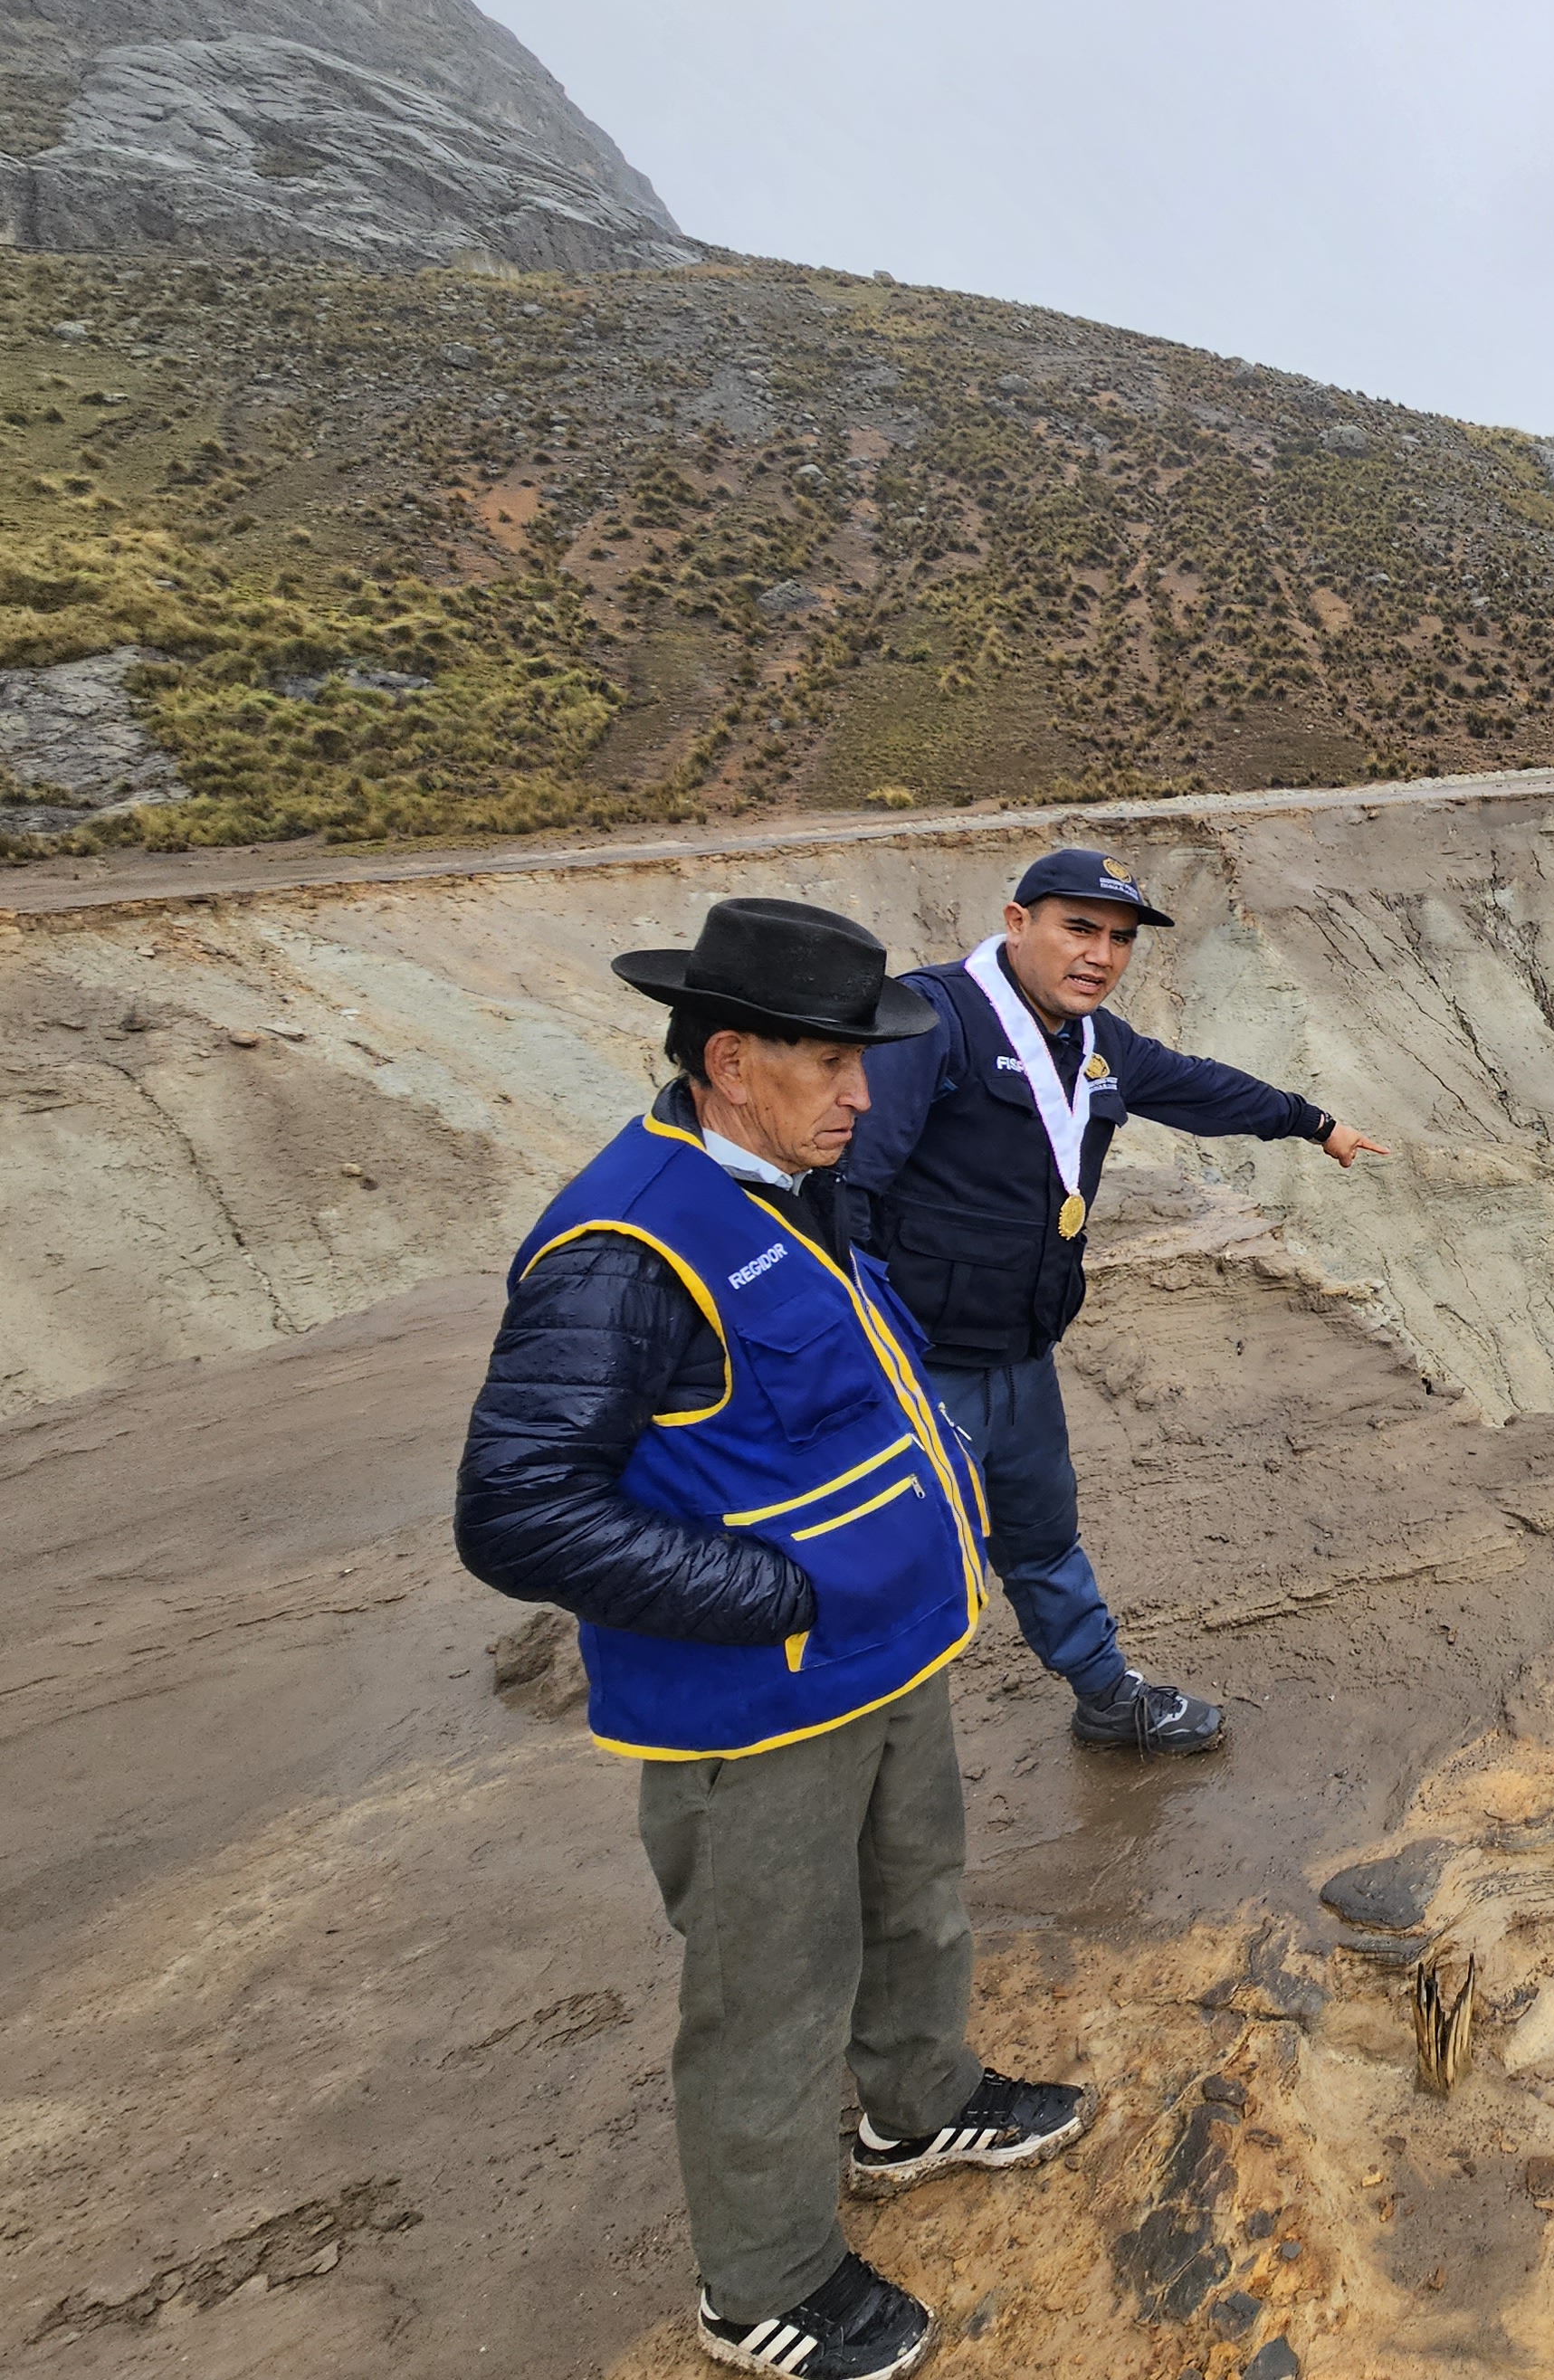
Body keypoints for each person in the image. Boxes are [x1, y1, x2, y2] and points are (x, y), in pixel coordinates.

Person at [456, 897, 1086, 2380]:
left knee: (916, 1898)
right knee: (770, 1998)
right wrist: (775, 1601)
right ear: (731, 1060)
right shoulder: (623, 1251)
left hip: (885, 1664)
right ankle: (767, 2287)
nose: (865, 1095)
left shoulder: (794, 1181)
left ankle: (916, 2106)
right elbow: (516, 1513)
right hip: (757, 1713)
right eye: (833, 1065)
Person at [840, 847, 1387, 1755]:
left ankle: (1106, 1695)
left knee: (1043, 1537)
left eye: (1120, 940)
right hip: (917, 1364)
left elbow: (1197, 1087)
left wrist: (1311, 1121)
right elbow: (850, 1187)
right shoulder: (934, 1020)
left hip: (1020, 1352)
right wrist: (865, 1348)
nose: (1100, 954)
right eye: (1079, 928)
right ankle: (866, 1751)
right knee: (900, 1559)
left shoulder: (1095, 1044)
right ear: (1018, 924)